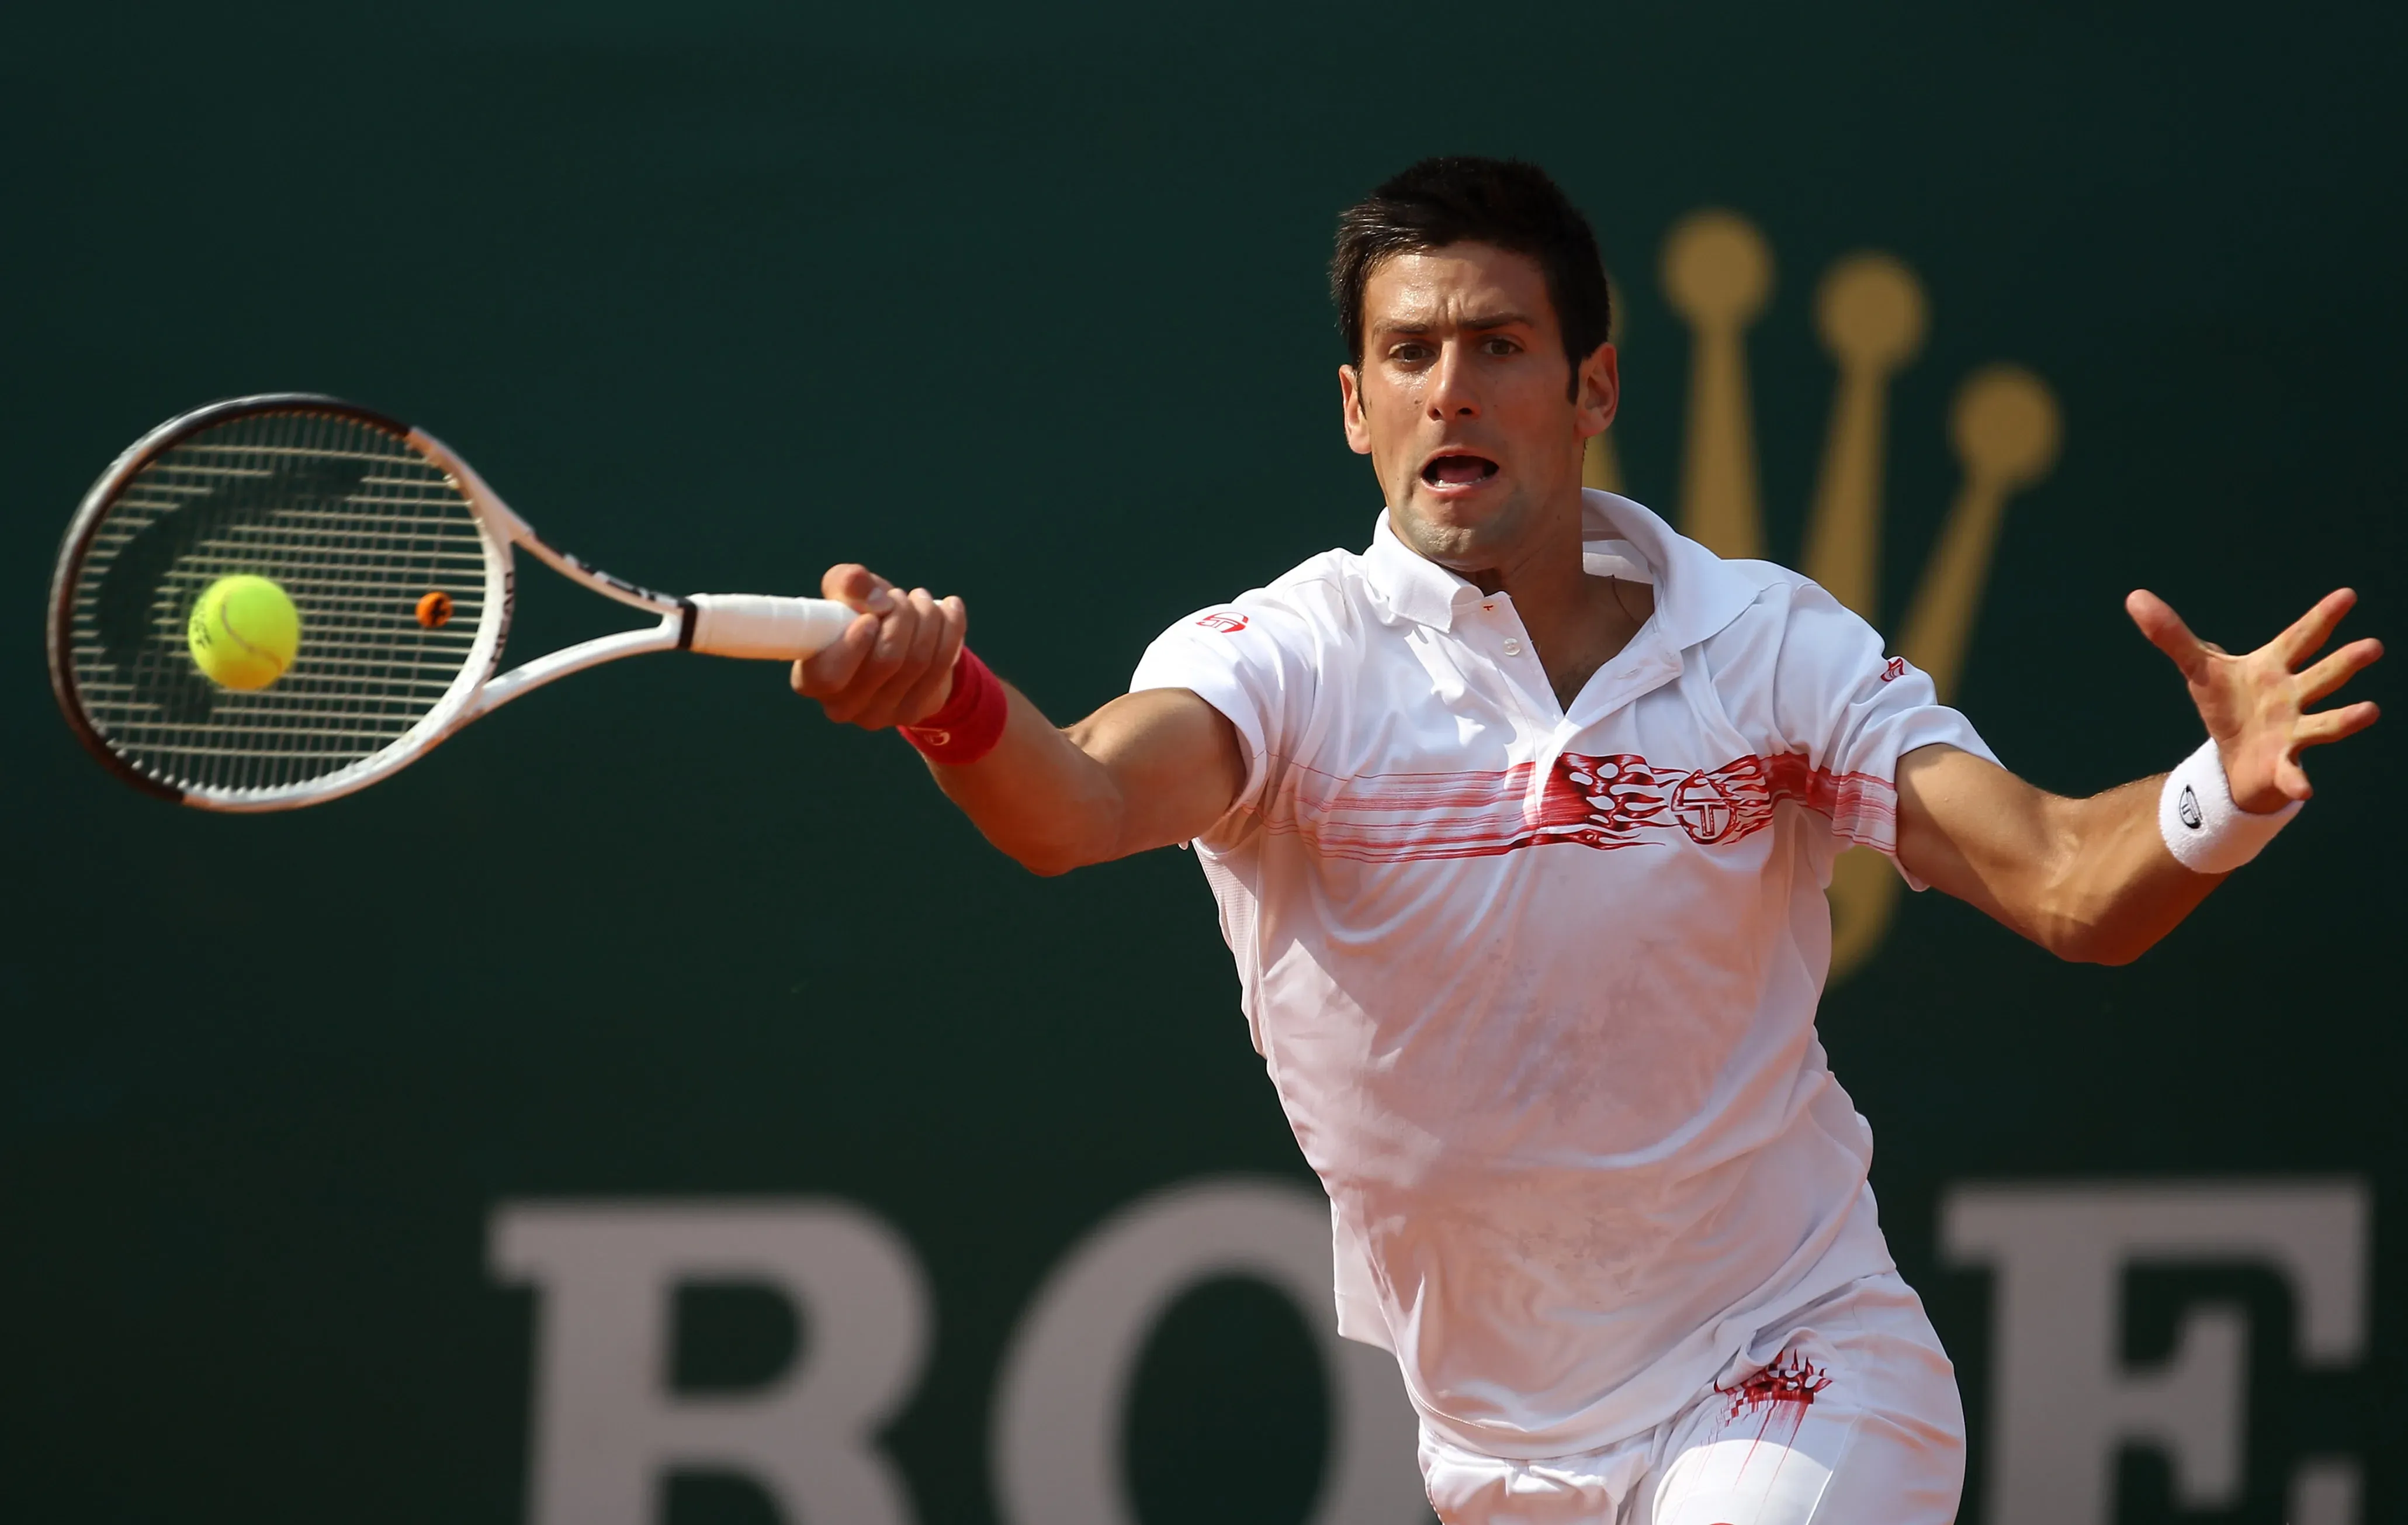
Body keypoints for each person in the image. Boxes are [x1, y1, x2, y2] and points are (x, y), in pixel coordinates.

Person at [787, 158, 2381, 1523]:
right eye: (1407, 354)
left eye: (1498, 344)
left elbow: (2064, 883)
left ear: (1593, 389)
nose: (1450, 388)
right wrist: (955, 705)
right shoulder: (1285, 658)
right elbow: (1078, 806)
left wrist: (2217, 792)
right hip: (1501, 1450)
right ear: (1355, 408)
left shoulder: (1769, 649)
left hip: (1797, 1359)